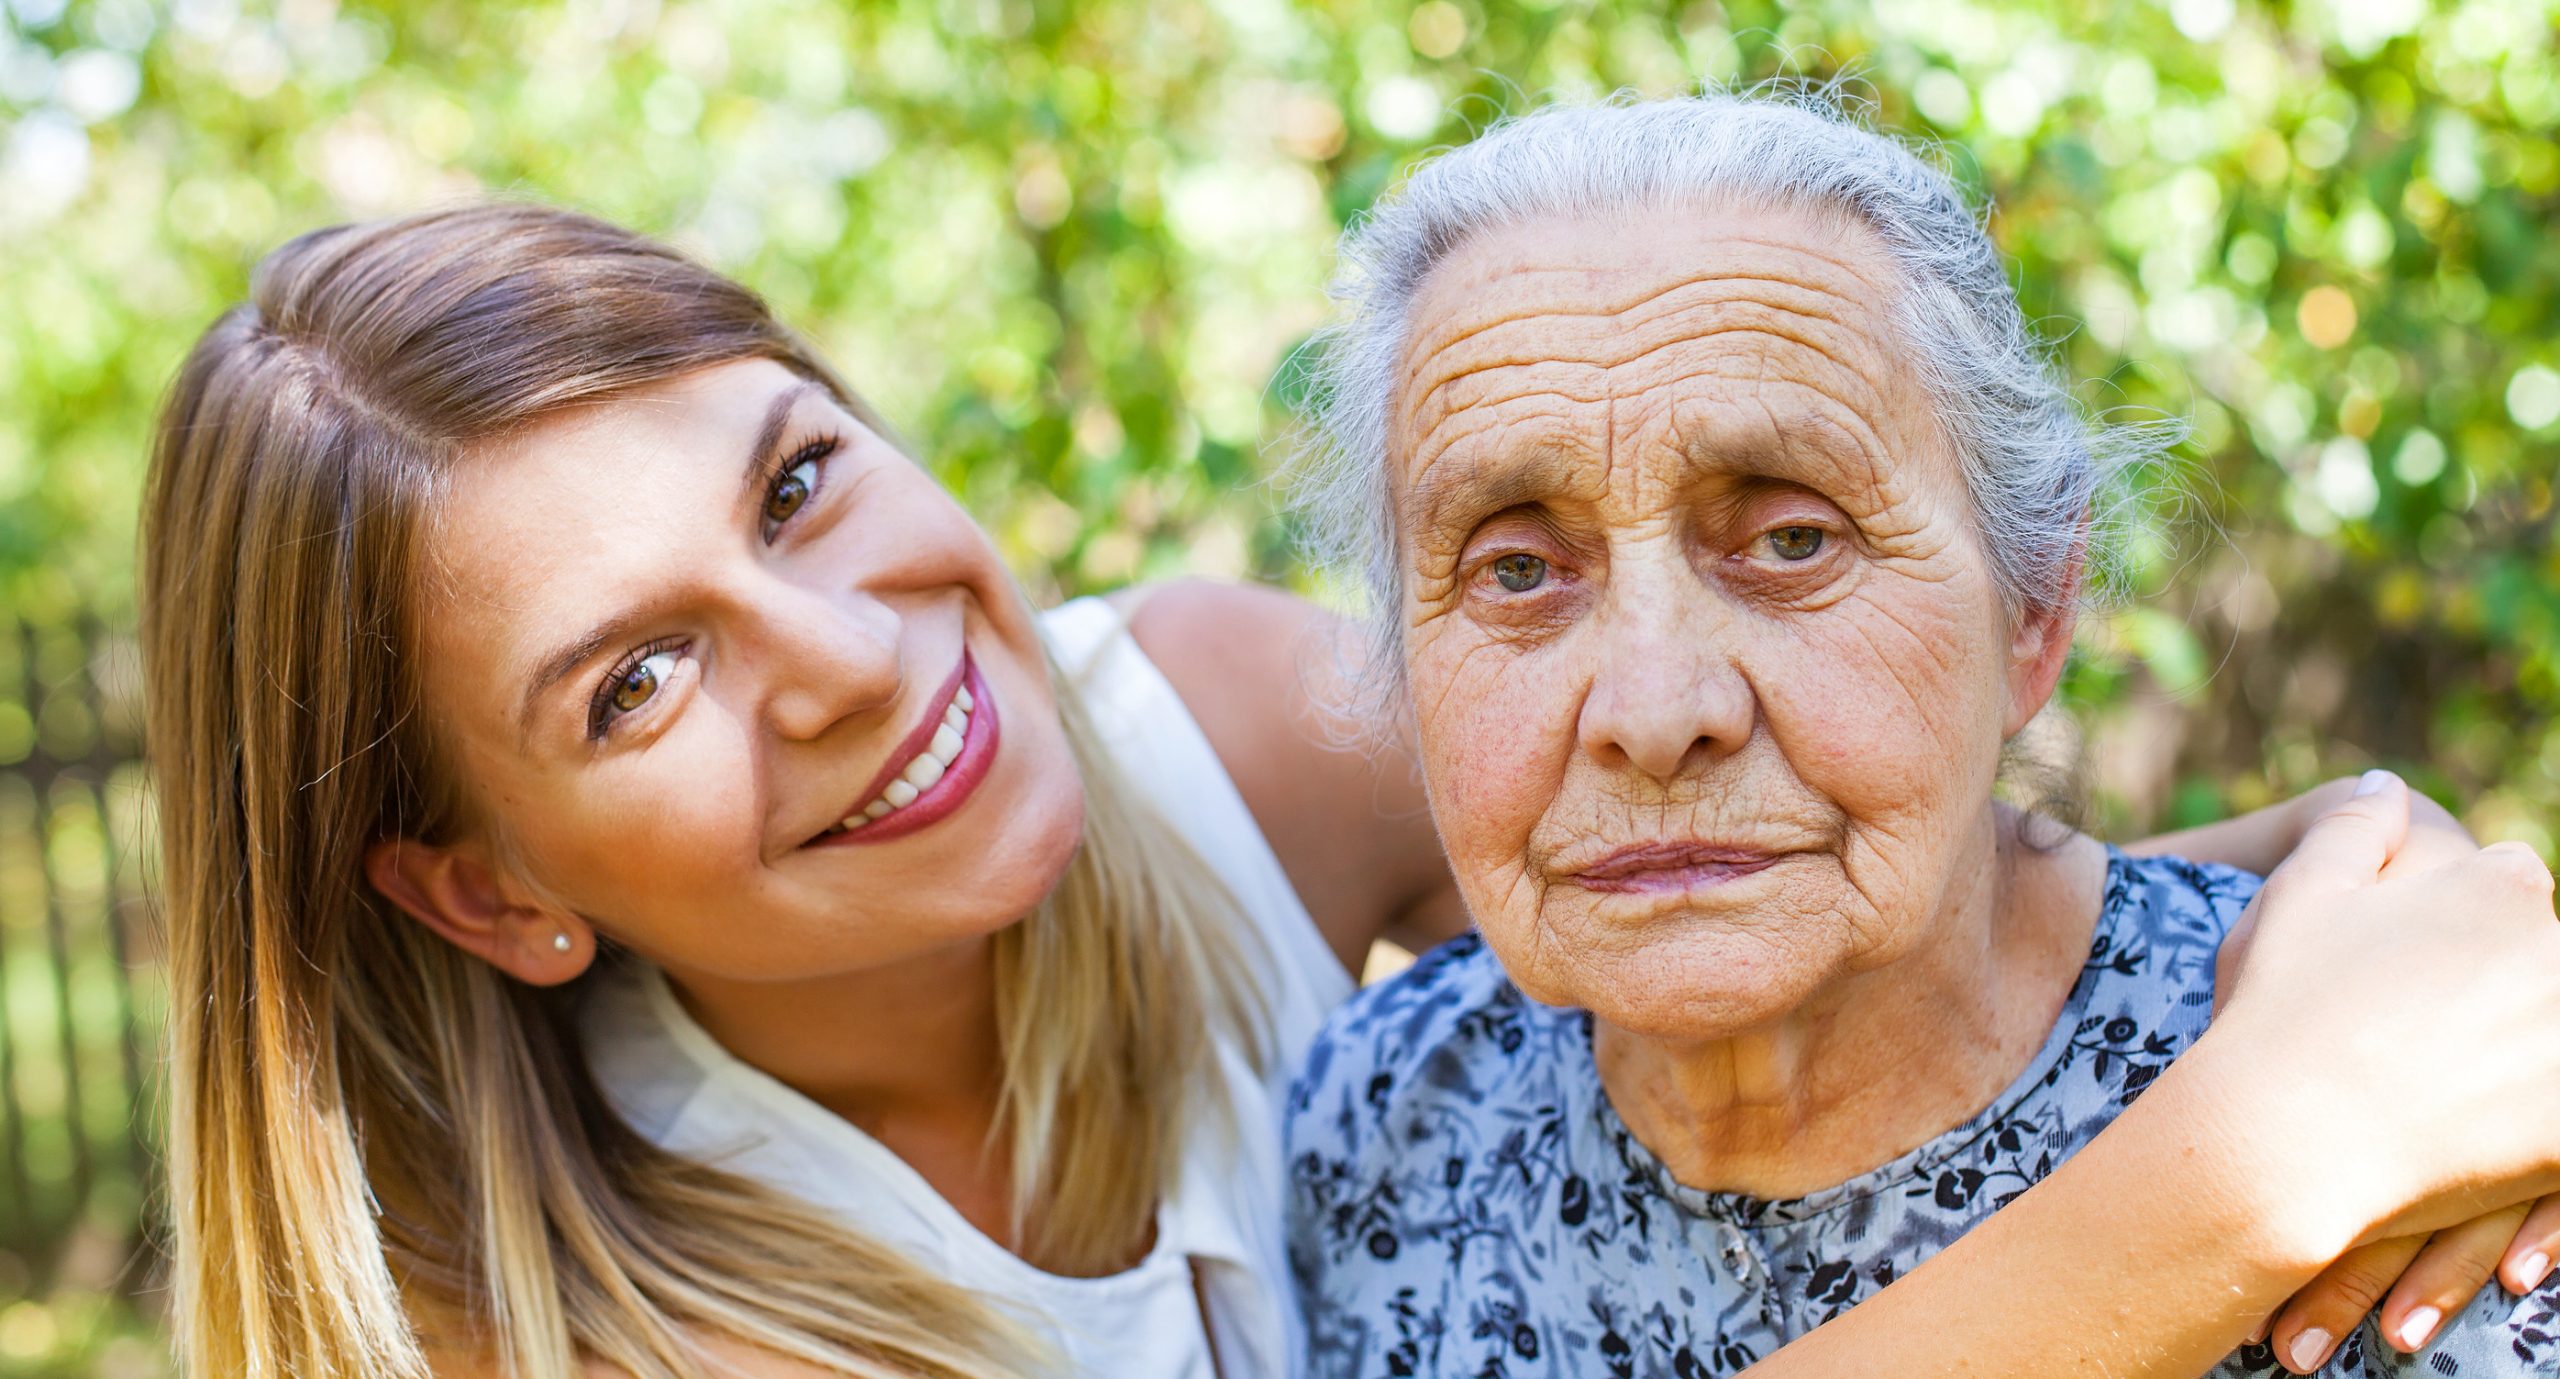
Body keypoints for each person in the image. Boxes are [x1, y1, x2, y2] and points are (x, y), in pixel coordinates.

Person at [141, 201, 2553, 1379]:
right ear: (482, 895)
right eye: (637, 681)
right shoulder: (523, 1334)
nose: (855, 659)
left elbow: (1749, 806)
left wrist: (2320, 881)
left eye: (787, 488)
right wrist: (2252, 1174)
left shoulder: (1191, 732)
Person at [1283, 91, 2560, 1378]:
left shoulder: (2442, 1155)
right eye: (1515, 571)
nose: (1656, 713)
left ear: (2034, 611)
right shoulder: (1390, 1106)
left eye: (1792, 539)